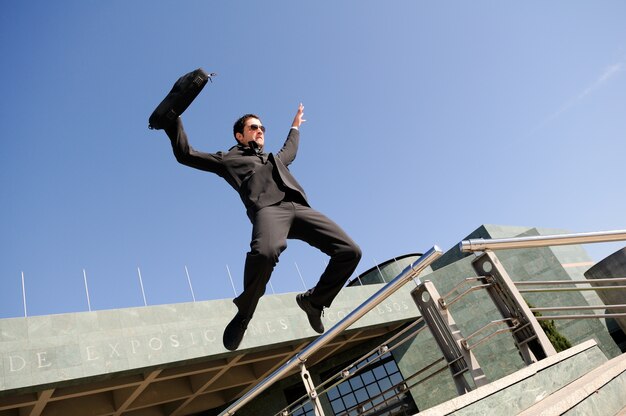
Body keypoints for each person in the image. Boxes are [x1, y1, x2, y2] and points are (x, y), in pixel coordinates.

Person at [163, 103, 361, 351]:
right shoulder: (229, 159)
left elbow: (291, 150)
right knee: (265, 253)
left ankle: (314, 302)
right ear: (240, 135)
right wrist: (174, 119)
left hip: (299, 208)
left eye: (262, 128)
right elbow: (186, 154)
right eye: (253, 127)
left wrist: (295, 125)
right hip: (269, 211)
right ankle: (245, 313)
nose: (260, 131)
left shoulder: (274, 159)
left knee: (350, 251)